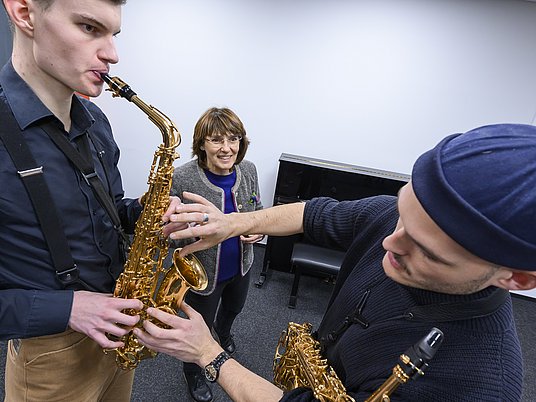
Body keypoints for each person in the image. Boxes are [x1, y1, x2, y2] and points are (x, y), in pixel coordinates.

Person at [136, 123, 536, 401]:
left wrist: (209, 353)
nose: (388, 243)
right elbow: (312, 212)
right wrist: (234, 222)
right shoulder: (390, 222)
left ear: (516, 278)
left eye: (427, 251)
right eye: (402, 213)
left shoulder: (475, 386)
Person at [0, 0, 165, 400]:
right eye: (90, 28)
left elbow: (110, 212)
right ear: (24, 13)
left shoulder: (97, 122)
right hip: (49, 355)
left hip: (117, 331)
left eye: (113, 34)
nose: (112, 54)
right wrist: (69, 310)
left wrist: (150, 214)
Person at [170, 107, 263, 402]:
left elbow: (256, 209)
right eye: (217, 140)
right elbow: (167, 231)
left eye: (233, 139)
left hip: (242, 266)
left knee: (234, 309)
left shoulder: (248, 169)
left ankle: (224, 332)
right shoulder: (182, 177)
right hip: (202, 275)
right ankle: (193, 373)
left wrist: (258, 231)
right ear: (202, 144)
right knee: (196, 331)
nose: (227, 148)